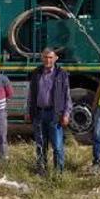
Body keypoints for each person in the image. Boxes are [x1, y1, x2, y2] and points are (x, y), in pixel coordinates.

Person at [26, 47, 71, 175]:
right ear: (42, 58)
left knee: (57, 146)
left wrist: (66, 114)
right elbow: (31, 94)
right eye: (45, 57)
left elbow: (67, 96)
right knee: (40, 145)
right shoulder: (36, 73)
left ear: (56, 58)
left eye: (51, 57)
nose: (48, 60)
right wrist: (28, 111)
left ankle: (59, 173)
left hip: (55, 114)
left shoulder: (61, 74)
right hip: (39, 113)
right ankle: (41, 171)